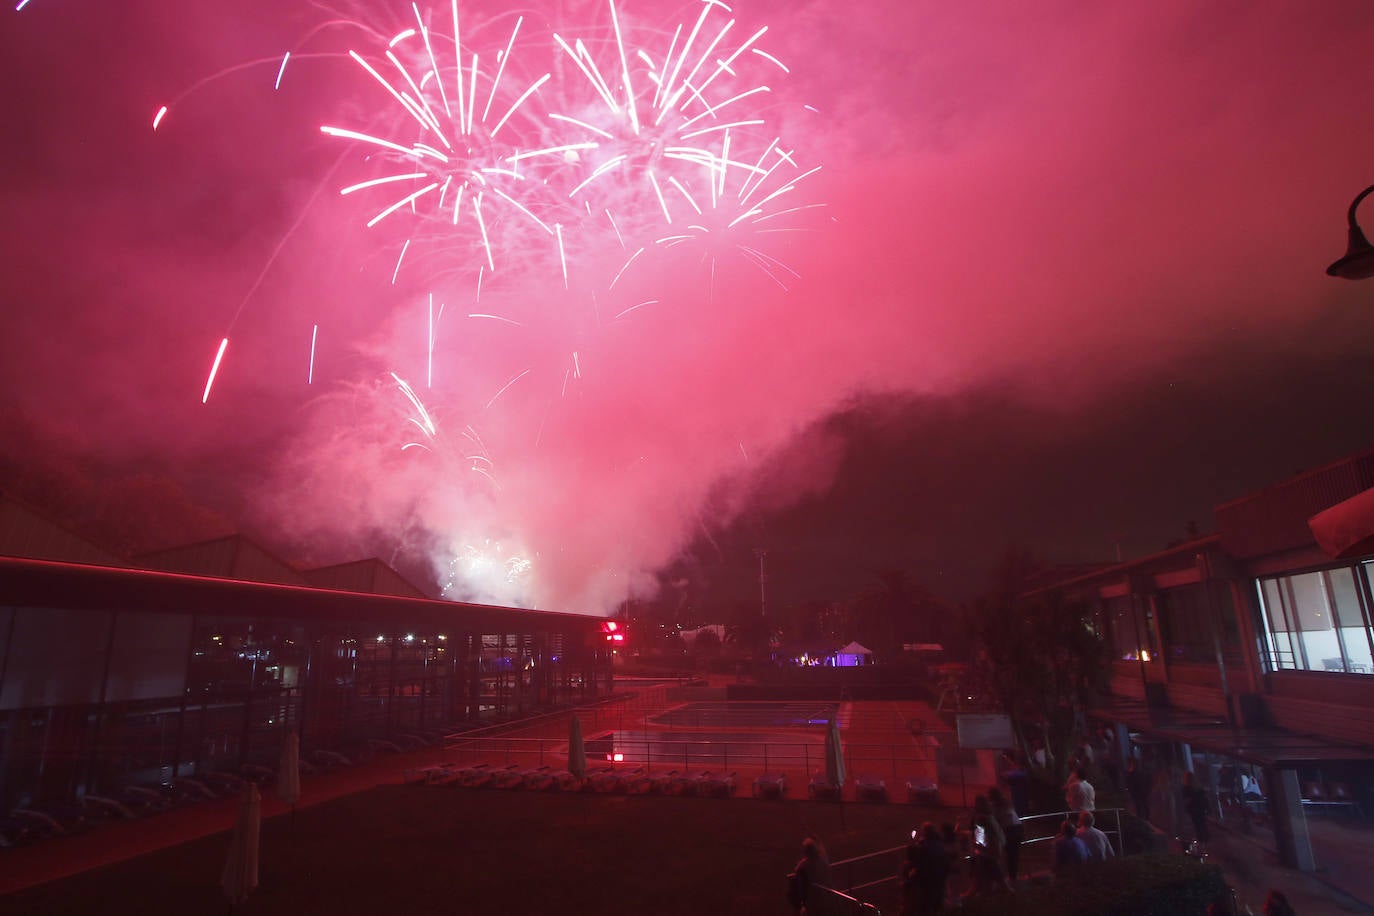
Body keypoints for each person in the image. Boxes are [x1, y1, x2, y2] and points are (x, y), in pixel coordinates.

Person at [899, 822, 949, 916]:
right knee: (933, 903)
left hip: (928, 881)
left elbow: (921, 865)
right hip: (938, 878)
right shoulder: (939, 845)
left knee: (923, 904)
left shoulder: (925, 848)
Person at [987, 787, 1024, 882]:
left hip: (1008, 830)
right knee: (1012, 856)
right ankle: (1012, 877)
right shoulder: (1007, 803)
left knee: (1003, 855)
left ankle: (1002, 879)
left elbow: (999, 819)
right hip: (1015, 829)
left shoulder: (997, 806)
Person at [789, 835, 831, 914]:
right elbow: (824, 855)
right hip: (824, 899)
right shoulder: (822, 861)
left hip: (811, 902)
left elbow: (797, 882)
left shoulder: (804, 865)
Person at [1000, 749, 1031, 815]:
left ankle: (1022, 814)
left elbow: (1023, 774)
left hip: (1020, 788)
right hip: (1015, 789)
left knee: (1021, 802)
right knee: (1018, 802)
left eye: (1006, 757)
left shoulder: (1020, 766)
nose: (1006, 760)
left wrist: (1009, 774)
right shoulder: (1013, 766)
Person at [1182, 771, 1209, 846]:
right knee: (1202, 824)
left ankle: (1201, 841)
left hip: (1193, 809)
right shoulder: (1198, 787)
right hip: (1200, 808)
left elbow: (1187, 800)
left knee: (1197, 825)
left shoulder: (1187, 788)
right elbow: (1204, 798)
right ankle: (1205, 840)